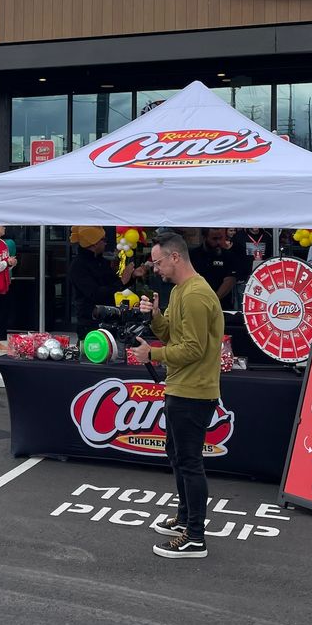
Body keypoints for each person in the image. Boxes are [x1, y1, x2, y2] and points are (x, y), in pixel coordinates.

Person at [131, 231, 223, 560]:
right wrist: (155, 315)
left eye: (157, 262)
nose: (155, 269)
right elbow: (171, 332)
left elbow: (195, 349)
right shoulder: (181, 291)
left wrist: (152, 356)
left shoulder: (197, 294)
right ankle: (185, 520)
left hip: (193, 390)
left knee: (189, 462)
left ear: (175, 257)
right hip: (181, 387)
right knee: (178, 456)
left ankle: (195, 537)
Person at [67, 225, 134, 337]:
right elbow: (95, 293)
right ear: (94, 243)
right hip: (90, 323)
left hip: (109, 319)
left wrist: (133, 276)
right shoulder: (78, 266)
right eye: (103, 240)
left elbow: (114, 283)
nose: (106, 243)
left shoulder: (100, 261)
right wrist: (121, 282)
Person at [189, 228, 245, 310]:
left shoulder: (228, 256)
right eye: (214, 239)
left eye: (220, 238)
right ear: (204, 238)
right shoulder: (193, 255)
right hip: (196, 303)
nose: (218, 242)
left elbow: (230, 280)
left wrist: (213, 300)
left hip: (222, 306)